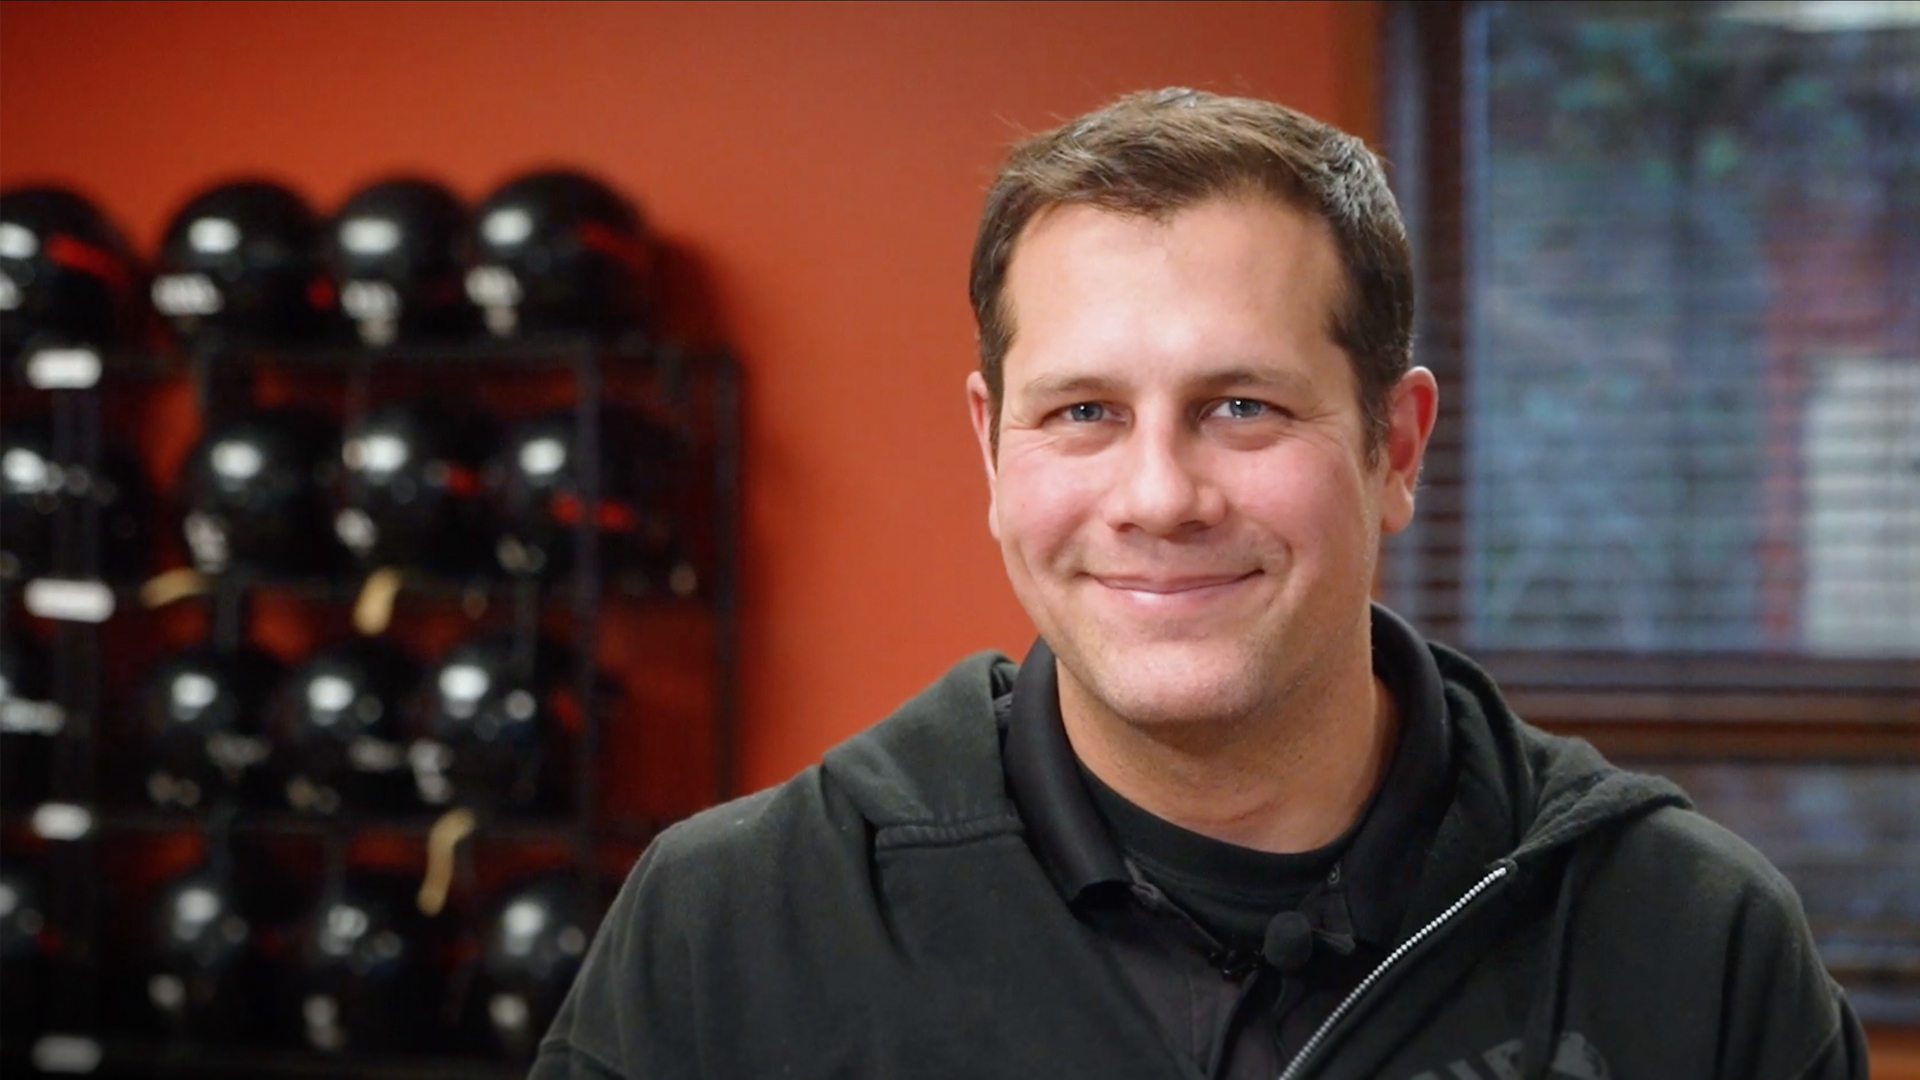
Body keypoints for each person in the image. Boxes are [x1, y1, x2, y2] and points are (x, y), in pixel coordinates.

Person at [530, 88, 1866, 1080]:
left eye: (1242, 406)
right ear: (992, 449)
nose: (1160, 496)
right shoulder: (731, 930)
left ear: (1395, 449)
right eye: (1085, 413)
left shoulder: (1688, 943)